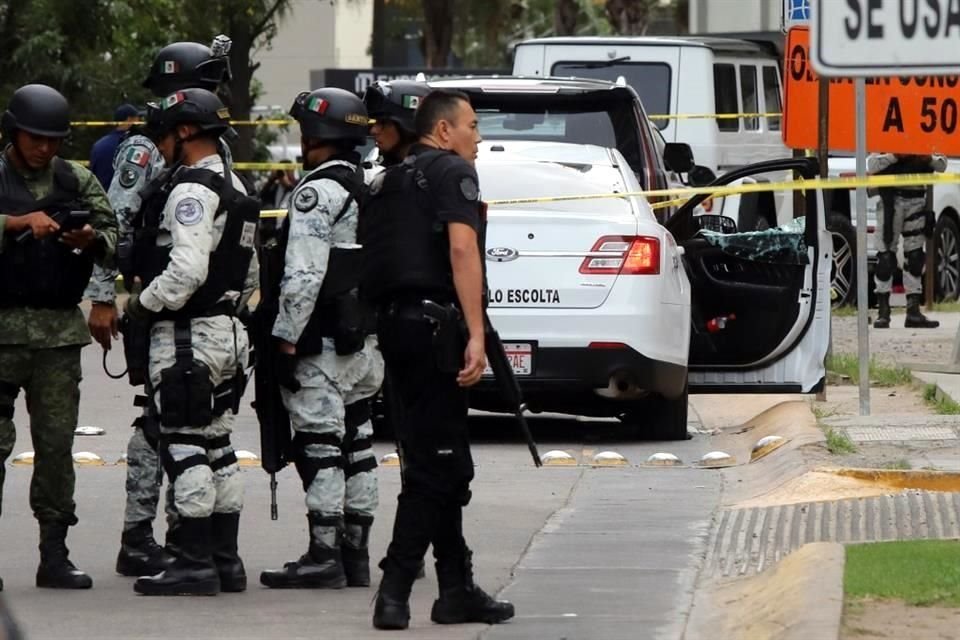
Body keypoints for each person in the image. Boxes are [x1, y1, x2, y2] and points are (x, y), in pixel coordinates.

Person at [362, 89, 514, 629]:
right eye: (472, 125)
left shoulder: (392, 179)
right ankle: (395, 588)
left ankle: (456, 587)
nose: (479, 136)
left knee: (437, 460)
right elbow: (461, 250)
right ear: (444, 131)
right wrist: (476, 333)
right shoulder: (451, 173)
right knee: (439, 466)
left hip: (397, 331)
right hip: (434, 331)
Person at [83, 37, 233, 579]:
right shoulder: (145, 148)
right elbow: (114, 225)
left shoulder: (208, 141)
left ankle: (183, 531)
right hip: (158, 298)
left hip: (206, 309)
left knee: (191, 421)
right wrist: (103, 297)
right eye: (209, 85)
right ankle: (138, 533)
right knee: (157, 420)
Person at [123, 88, 258, 596]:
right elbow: (249, 275)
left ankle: (193, 561)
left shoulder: (190, 192)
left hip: (185, 338)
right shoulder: (235, 184)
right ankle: (225, 560)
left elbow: (184, 272)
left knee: (182, 445)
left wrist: (139, 307)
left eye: (162, 135)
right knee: (219, 446)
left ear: (184, 132)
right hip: (227, 332)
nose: (158, 147)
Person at [259, 88, 384, 590]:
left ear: (319, 135)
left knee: (320, 446)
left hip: (322, 345)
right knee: (358, 444)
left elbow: (305, 275)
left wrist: (286, 338)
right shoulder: (368, 186)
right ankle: (355, 555)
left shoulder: (316, 193)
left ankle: (323, 555)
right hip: (361, 345)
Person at [0, 84, 118, 590]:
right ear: (14, 132)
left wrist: (92, 239)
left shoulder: (77, 179)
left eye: (54, 140)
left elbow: (116, 241)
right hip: (1, 333)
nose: (45, 148)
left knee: (55, 448)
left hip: (56, 336)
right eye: (35, 138)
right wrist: (14, 223)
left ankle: (54, 554)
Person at [869, 152, 947, 329]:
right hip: (891, 201)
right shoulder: (888, 133)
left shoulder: (923, 136)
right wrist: (895, 155)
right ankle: (883, 312)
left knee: (915, 257)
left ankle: (913, 311)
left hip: (917, 201)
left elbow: (942, 165)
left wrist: (927, 158)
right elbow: (872, 164)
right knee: (886, 258)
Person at [362, 80, 430, 167]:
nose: (373, 130)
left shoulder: (443, 171)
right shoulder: (375, 168)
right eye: (373, 122)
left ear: (409, 124)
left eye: (383, 122)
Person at [89, 104, 140, 189]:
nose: (139, 122)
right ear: (129, 119)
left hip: (100, 198)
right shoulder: (134, 145)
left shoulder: (98, 145)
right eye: (137, 119)